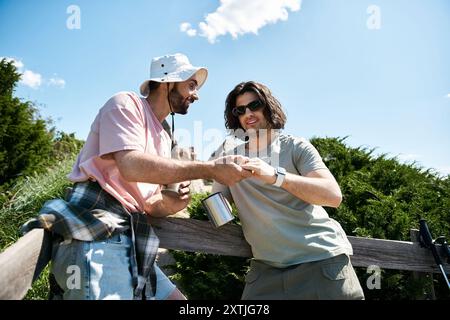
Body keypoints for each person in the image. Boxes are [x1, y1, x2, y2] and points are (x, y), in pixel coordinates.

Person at [21, 53, 251, 300]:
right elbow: (131, 166)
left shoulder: (163, 137)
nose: (196, 95)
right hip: (96, 229)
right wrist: (209, 168)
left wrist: (172, 204)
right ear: (168, 81)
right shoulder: (125, 103)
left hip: (130, 235)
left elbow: (149, 203)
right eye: (191, 85)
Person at [211, 81, 365, 300]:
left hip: (321, 262)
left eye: (254, 105)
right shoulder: (229, 157)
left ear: (268, 106)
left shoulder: (296, 147)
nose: (248, 113)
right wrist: (201, 174)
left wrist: (276, 176)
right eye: (240, 110)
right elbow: (219, 216)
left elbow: (333, 196)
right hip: (266, 270)